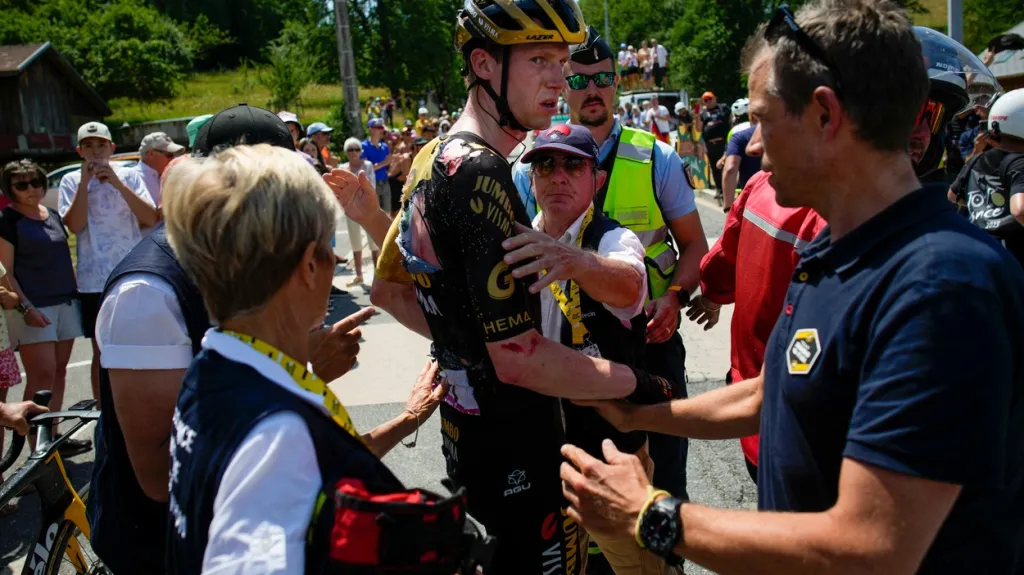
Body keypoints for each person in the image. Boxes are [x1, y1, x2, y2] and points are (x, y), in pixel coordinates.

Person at [564, 2, 1024, 573]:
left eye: (762, 117)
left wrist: (648, 513)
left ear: (825, 115)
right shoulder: (836, 249)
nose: (751, 145)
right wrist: (639, 417)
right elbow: (771, 392)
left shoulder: (940, 287)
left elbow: (874, 547)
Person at [331, 8, 676, 574]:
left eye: (563, 63)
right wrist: (638, 382)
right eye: (540, 59)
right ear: (484, 64)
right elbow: (519, 357)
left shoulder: (432, 159)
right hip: (522, 448)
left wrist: (467, 349)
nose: (559, 80)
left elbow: (390, 292)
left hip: (471, 438)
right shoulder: (481, 172)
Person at [88, 104, 364, 574]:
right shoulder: (147, 292)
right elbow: (159, 475)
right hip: (158, 545)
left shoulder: (252, 264)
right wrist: (302, 372)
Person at [161, 143, 448, 573]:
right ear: (309, 267)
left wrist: (408, 418)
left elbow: (309, 473)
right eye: (326, 248)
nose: (335, 260)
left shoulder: (217, 369)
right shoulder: (278, 432)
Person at [513, 27, 708, 508]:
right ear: (563, 86)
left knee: (662, 483)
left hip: (648, 341)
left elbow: (694, 247)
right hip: (563, 353)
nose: (592, 90)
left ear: (617, 82)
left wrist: (675, 296)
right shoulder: (529, 165)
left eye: (602, 78)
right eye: (579, 81)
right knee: (570, 490)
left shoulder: (655, 155)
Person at [511, 124, 676, 575]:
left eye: (573, 164)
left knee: (638, 568)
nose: (558, 175)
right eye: (545, 164)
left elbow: (628, 286)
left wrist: (574, 260)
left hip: (611, 453)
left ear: (596, 180)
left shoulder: (611, 239)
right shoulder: (516, 239)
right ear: (531, 178)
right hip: (540, 445)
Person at [58, 121, 157, 407]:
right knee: (101, 350)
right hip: (94, 280)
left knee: (140, 343)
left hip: (133, 272)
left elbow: (149, 217)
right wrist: (85, 183)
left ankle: (140, 405)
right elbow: (75, 225)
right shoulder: (70, 181)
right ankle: (104, 415)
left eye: (101, 145)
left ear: (111, 147)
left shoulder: (130, 175)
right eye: (88, 146)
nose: (95, 151)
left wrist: (116, 181)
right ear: (80, 151)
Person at [0, 160, 85, 458]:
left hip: (65, 301)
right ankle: (35, 450)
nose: (31, 189)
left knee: (59, 373)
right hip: (34, 307)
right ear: (9, 189)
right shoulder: (7, 220)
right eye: (21, 184)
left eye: (36, 182)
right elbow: (6, 271)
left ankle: (53, 436)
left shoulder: (51, 214)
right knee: (42, 375)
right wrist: (26, 308)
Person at [950, 88, 1024, 268]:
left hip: (978, 252)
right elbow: (1020, 210)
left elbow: (953, 196)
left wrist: (990, 208)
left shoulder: (976, 159)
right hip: (1012, 258)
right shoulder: (1021, 162)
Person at [341, 137, 379, 286]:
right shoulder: (343, 167)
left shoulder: (367, 165)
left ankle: (378, 274)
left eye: (356, 149)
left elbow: (372, 185)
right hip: (350, 208)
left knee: (373, 242)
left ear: (361, 151)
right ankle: (358, 274)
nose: (354, 152)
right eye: (350, 149)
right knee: (355, 240)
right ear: (346, 152)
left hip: (367, 207)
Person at [135, 132, 185, 233]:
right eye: (169, 155)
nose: (173, 159)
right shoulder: (132, 177)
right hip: (146, 245)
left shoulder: (167, 174)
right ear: (151, 154)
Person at [720, 122, 761, 211]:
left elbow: (730, 169)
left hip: (753, 202)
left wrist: (728, 208)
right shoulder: (793, 133)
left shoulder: (738, 136)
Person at [700, 92, 732, 196]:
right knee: (714, 167)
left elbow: (731, 120)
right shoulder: (703, 113)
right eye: (705, 100)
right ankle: (719, 189)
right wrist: (696, 116)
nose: (708, 101)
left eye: (710, 99)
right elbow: (698, 128)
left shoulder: (724, 108)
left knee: (727, 166)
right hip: (710, 144)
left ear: (715, 98)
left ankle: (729, 189)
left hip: (723, 142)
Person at [674, 104, 709, 189]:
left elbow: (697, 127)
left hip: (696, 145)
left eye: (683, 110)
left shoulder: (692, 117)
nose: (682, 112)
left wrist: (694, 120)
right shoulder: (679, 121)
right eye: (680, 111)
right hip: (686, 147)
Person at [363, 118, 394, 215]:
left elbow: (389, 163)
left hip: (384, 182)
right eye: (378, 127)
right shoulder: (363, 146)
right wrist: (384, 163)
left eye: (382, 128)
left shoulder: (385, 146)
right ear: (370, 129)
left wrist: (386, 165)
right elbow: (366, 168)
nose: (381, 130)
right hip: (372, 183)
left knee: (387, 212)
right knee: (374, 213)